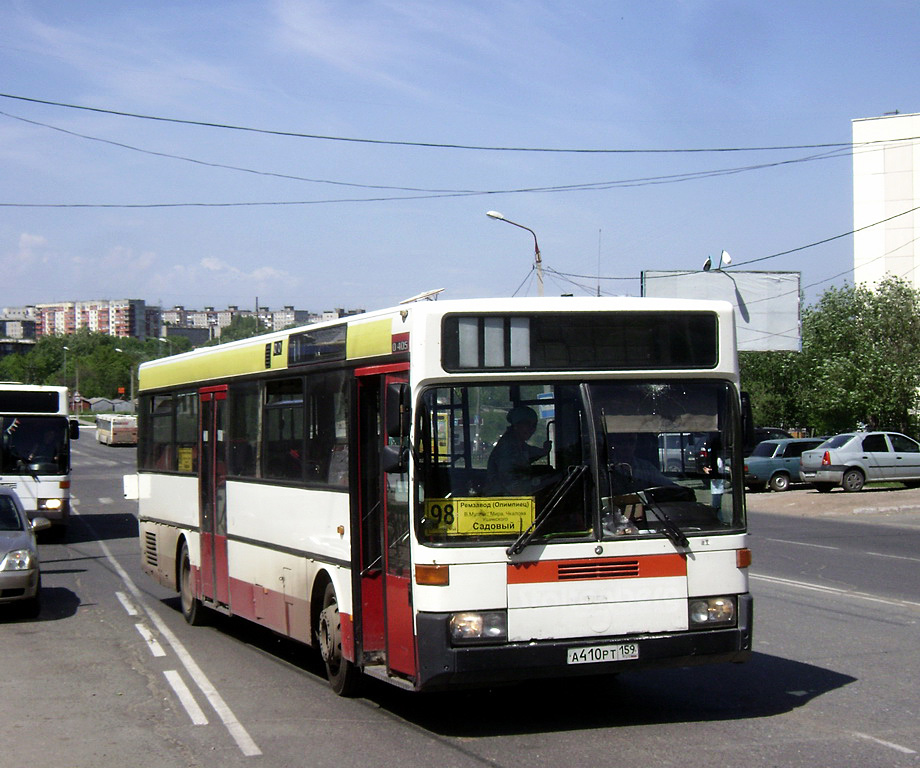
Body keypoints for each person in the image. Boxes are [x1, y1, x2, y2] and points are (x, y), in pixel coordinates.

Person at [486, 406, 552, 495]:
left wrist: (543, 451)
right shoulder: (507, 448)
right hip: (506, 502)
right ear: (516, 425)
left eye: (534, 425)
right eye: (527, 424)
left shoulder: (517, 443)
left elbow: (529, 453)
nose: (531, 429)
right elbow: (512, 485)